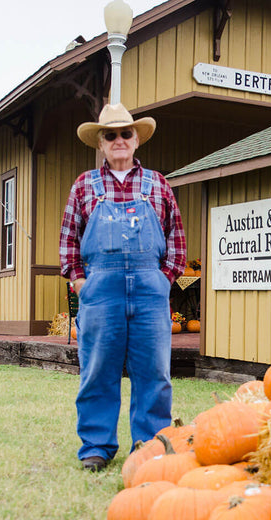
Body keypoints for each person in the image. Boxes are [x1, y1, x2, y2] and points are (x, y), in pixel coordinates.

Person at [59, 103, 186, 472]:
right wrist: (82, 284)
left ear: (136, 140)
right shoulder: (85, 185)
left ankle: (149, 446)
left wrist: (163, 281)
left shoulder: (157, 184)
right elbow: (69, 242)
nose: (118, 140)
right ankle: (97, 446)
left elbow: (176, 238)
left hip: (150, 290)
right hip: (101, 291)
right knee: (98, 370)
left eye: (125, 134)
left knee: (154, 372)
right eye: (110, 135)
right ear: (100, 142)